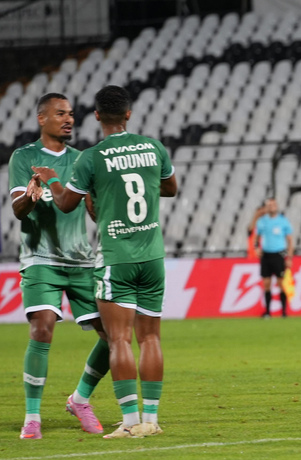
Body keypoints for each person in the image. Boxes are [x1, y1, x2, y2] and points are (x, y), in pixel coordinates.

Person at [33, 85, 179, 436]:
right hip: (153, 256)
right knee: (151, 338)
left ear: (97, 115)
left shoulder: (91, 158)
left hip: (117, 259)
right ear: (128, 114)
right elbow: (171, 188)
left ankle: (130, 422)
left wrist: (53, 179)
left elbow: (66, 203)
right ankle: (151, 420)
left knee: (119, 340)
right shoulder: (154, 147)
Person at [10, 93, 110, 439]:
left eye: (70, 114)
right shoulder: (24, 157)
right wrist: (31, 193)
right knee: (42, 329)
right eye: (60, 113)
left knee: (113, 336)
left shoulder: (82, 159)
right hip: (40, 258)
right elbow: (18, 210)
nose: (69, 119)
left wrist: (101, 203)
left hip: (81, 261)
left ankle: (80, 399)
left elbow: (93, 212)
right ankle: (32, 417)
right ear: (42, 118)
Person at [249, 198, 294, 318]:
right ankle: (268, 312)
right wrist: (256, 248)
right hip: (266, 255)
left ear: (276, 206)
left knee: (281, 283)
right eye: (269, 205)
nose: (271, 207)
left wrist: (289, 258)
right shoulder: (262, 221)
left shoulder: (283, 221)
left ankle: (284, 312)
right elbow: (255, 238)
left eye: (273, 205)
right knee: (266, 283)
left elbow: (290, 241)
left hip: (279, 254)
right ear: (266, 207)